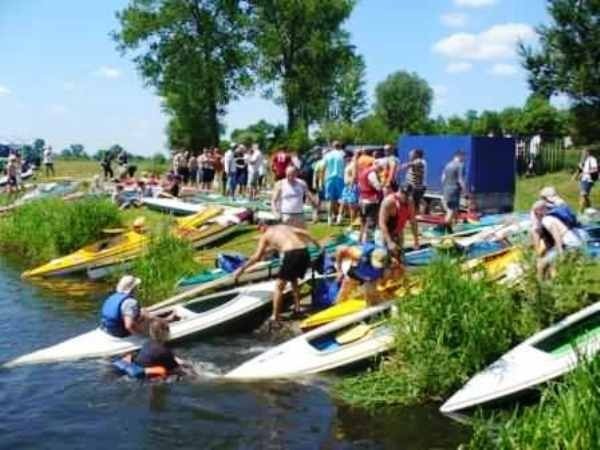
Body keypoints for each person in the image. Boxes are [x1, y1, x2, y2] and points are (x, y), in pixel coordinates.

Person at [233, 223, 322, 323]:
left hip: (291, 254)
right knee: (293, 279)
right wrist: (318, 246)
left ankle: (275, 316)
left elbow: (257, 257)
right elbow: (304, 232)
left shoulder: (265, 236)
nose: (259, 231)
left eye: (259, 229)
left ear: (263, 227)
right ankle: (298, 308)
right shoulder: (284, 226)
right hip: (304, 251)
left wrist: (241, 269)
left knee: (279, 286)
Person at [530, 200, 588, 279]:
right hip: (577, 240)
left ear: (539, 211)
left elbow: (557, 236)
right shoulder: (553, 216)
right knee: (550, 262)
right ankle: (552, 281)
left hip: (569, 243)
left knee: (542, 264)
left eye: (535, 213)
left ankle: (541, 286)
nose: (535, 216)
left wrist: (560, 253)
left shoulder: (547, 220)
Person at [334, 243, 403, 305]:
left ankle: (383, 290)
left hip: (371, 276)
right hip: (354, 272)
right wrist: (339, 270)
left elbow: (398, 268)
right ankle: (338, 304)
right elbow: (340, 249)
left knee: (395, 274)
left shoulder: (387, 257)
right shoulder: (358, 253)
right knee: (346, 290)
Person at [378, 186, 420, 260]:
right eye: (404, 195)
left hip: (399, 233)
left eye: (408, 196)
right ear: (399, 192)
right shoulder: (389, 202)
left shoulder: (409, 202)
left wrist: (416, 239)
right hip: (386, 234)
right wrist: (389, 242)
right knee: (387, 261)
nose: (406, 198)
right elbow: (382, 223)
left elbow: (413, 221)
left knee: (400, 260)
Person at [357, 160, 383, 242]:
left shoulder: (363, 172)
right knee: (371, 223)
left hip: (362, 200)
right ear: (377, 166)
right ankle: (368, 244)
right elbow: (377, 187)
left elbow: (359, 185)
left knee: (363, 222)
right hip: (371, 201)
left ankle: (360, 240)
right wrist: (382, 184)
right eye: (380, 168)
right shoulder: (372, 173)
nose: (380, 170)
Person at [441, 150, 466, 233]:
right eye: (463, 156)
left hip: (446, 189)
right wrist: (465, 191)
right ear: (460, 156)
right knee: (451, 210)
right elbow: (460, 180)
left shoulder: (448, 164)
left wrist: (445, 188)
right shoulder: (460, 165)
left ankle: (450, 228)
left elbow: (442, 178)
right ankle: (446, 227)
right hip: (454, 189)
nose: (464, 158)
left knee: (450, 209)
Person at [323, 141, 346, 225]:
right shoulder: (342, 154)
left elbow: (324, 167)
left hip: (329, 178)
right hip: (340, 177)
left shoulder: (327, 155)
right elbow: (345, 165)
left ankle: (329, 219)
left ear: (332, 146)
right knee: (342, 198)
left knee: (330, 199)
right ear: (339, 146)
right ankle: (339, 218)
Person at [402, 148, 427, 214]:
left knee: (413, 202)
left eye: (411, 154)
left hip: (416, 187)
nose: (409, 155)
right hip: (414, 186)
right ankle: (415, 214)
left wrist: (406, 165)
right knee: (414, 202)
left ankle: (414, 216)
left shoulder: (420, 161)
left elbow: (416, 163)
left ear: (416, 155)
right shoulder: (418, 161)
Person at [338, 151, 359, 227]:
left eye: (345, 157)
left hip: (351, 186)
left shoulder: (353, 164)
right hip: (346, 186)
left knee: (351, 206)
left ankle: (352, 223)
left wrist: (351, 185)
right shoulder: (348, 165)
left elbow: (354, 175)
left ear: (349, 157)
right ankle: (349, 221)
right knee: (344, 203)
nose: (344, 159)